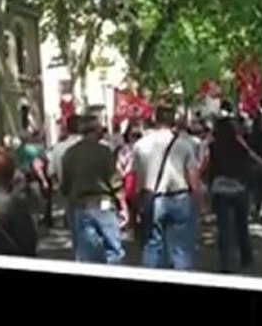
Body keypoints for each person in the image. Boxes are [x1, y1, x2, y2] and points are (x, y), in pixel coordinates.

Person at [132, 105, 202, 270]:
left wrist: (136, 202)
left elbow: (137, 177)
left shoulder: (141, 145)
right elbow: (192, 174)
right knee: (181, 247)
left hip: (152, 197)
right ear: (173, 121)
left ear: (155, 120)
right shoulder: (184, 145)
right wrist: (198, 198)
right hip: (180, 197)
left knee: (152, 244)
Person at [202, 105, 262, 273]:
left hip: (220, 190)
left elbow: (205, 164)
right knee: (241, 225)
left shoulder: (213, 146)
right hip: (239, 188)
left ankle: (225, 263)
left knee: (224, 228)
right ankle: (246, 257)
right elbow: (255, 160)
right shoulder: (239, 145)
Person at [60, 115, 128, 265]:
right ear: (96, 131)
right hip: (103, 203)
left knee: (86, 254)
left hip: (80, 205)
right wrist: (123, 206)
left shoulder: (70, 154)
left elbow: (65, 186)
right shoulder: (104, 152)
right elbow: (114, 182)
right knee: (113, 249)